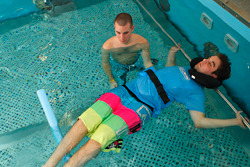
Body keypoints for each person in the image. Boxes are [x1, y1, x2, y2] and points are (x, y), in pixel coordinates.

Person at [42, 44, 248, 167]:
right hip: (123, 91)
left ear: (213, 76)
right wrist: (171, 55)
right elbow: (167, 78)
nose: (204, 61)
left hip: (139, 108)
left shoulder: (196, 93)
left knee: (99, 139)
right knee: (84, 122)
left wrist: (235, 121)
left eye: (210, 63)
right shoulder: (187, 69)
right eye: (207, 58)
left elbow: (199, 121)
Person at [101, 13, 153, 89]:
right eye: (118, 32)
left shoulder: (142, 42)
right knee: (120, 89)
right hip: (119, 66)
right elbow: (105, 63)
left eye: (126, 33)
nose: (122, 37)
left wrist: (152, 76)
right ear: (114, 28)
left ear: (132, 28)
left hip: (137, 62)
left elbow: (147, 61)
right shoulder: (108, 46)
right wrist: (111, 79)